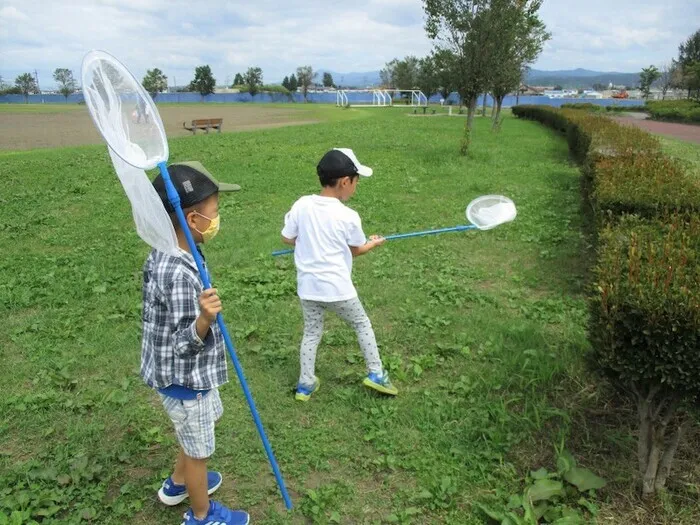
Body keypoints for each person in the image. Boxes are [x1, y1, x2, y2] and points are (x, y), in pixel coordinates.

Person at [141, 161, 249, 525]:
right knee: (199, 450)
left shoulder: (172, 252)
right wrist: (204, 319)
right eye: (214, 213)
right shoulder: (178, 273)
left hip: (181, 378)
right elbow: (183, 345)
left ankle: (177, 483)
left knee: (192, 436)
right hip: (187, 381)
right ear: (192, 219)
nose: (217, 219)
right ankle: (202, 515)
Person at [281, 148, 398, 401]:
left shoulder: (302, 204)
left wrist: (308, 239)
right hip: (337, 290)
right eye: (356, 182)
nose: (355, 187)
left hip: (308, 289)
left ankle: (305, 383)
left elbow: (287, 237)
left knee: (312, 332)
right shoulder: (348, 216)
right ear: (345, 182)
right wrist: (374, 243)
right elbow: (356, 249)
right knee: (361, 323)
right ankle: (376, 373)